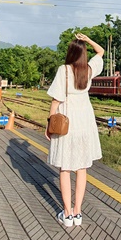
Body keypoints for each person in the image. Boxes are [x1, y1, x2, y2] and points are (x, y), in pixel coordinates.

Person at [45, 32, 105, 227]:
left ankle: (67, 213)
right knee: (81, 168)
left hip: (68, 123)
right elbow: (101, 51)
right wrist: (87, 40)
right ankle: (78, 213)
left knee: (65, 168)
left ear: (70, 53)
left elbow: (56, 100)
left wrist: (49, 124)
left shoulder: (64, 70)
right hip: (85, 123)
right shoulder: (88, 70)